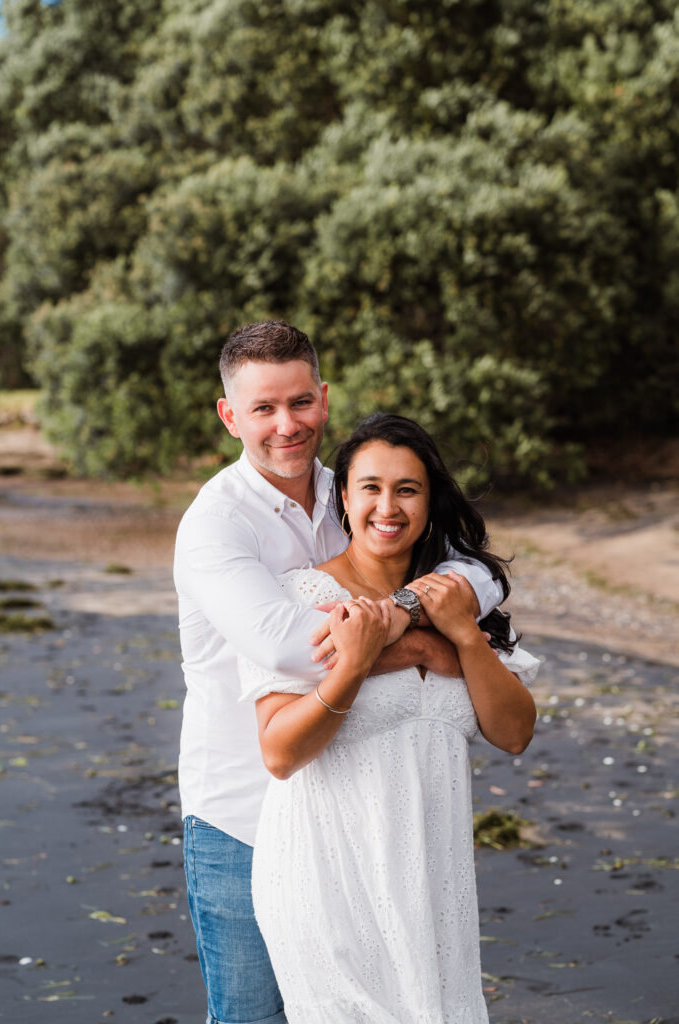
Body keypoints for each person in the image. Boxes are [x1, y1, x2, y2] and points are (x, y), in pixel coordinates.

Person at [174, 322, 505, 1024]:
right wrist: (427, 645)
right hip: (241, 809)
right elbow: (293, 647)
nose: (286, 424)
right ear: (230, 415)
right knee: (252, 1016)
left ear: (323, 399)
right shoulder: (215, 526)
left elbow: (478, 572)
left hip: (358, 810)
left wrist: (412, 603)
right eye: (263, 408)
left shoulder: (356, 489)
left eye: (299, 402)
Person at [239, 413, 539, 1024]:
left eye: (408, 489)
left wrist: (461, 636)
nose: (388, 506)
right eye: (370, 487)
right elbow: (280, 753)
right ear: (343, 499)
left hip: (433, 889)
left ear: (430, 502)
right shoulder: (300, 600)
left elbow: (514, 733)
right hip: (327, 878)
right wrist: (350, 667)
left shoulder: (460, 599)